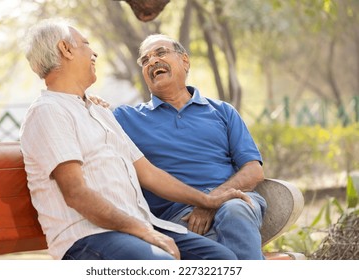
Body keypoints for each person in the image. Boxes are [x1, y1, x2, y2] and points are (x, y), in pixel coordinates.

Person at [19, 19, 251, 260]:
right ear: (66, 49)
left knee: (223, 260)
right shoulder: (48, 111)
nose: (94, 52)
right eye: (86, 44)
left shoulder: (99, 112)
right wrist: (145, 232)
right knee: (163, 264)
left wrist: (208, 199)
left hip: (135, 228)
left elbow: (148, 173)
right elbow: (76, 193)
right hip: (88, 237)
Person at [113, 34, 267, 260]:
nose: (152, 61)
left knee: (234, 211)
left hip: (233, 202)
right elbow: (86, 118)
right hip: (178, 218)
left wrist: (211, 201)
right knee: (221, 251)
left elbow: (254, 170)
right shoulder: (125, 118)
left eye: (160, 53)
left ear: (185, 60)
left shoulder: (222, 111)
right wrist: (93, 103)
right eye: (145, 60)